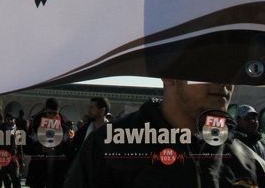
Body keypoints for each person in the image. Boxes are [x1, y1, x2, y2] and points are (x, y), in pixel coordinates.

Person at [64, 80, 265, 187]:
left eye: (230, 66)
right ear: (170, 75)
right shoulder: (109, 148)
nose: (223, 79)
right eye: (206, 63)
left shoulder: (249, 164)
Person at [26, 98, 71, 188]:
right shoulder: (36, 122)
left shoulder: (64, 124)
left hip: (57, 168)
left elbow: (68, 148)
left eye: (55, 113)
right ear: (45, 110)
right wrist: (40, 148)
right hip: (38, 167)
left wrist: (58, 147)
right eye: (49, 113)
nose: (52, 116)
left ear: (58, 111)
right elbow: (28, 146)